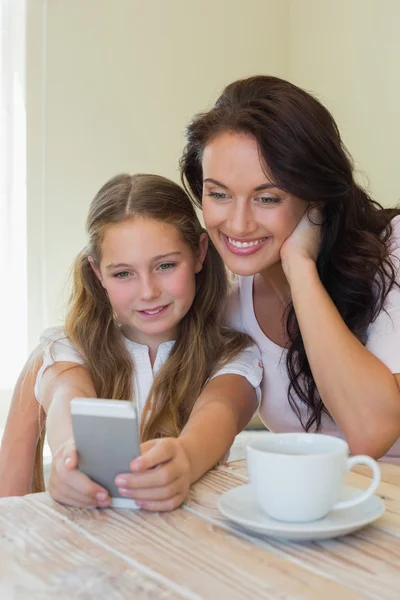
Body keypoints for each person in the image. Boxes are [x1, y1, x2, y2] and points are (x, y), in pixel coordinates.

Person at [0, 173, 262, 507]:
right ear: (98, 274)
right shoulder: (67, 350)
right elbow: (69, 396)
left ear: (198, 253)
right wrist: (69, 454)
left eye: (166, 265)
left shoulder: (232, 355)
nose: (149, 292)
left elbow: (221, 408)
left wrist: (184, 458)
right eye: (123, 273)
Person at [180, 74, 400, 462]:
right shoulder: (230, 306)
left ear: (314, 196)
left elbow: (372, 430)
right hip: (316, 515)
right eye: (218, 194)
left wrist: (299, 266)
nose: (238, 224)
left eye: (267, 198)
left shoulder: (393, 251)